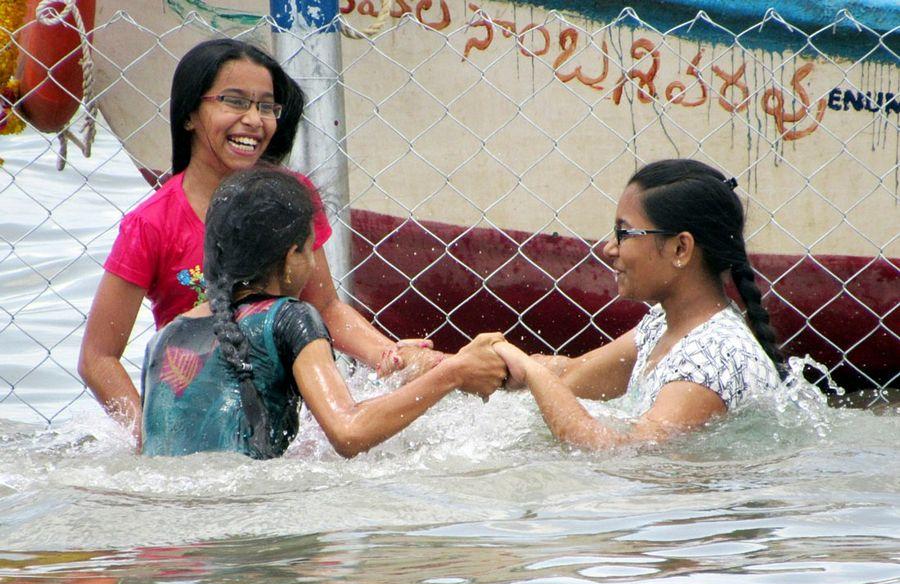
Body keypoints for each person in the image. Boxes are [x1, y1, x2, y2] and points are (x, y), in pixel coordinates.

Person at [79, 39, 439, 445]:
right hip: (203, 411)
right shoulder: (151, 223)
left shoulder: (292, 197)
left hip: (289, 404)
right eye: (234, 101)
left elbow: (326, 307)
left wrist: (390, 356)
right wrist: (150, 437)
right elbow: (98, 357)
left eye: (267, 106)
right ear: (189, 115)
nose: (254, 119)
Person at [141, 167, 507, 458]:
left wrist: (392, 374)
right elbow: (349, 432)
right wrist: (454, 374)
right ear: (290, 258)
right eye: (310, 249)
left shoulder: (163, 339)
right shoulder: (289, 317)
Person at [492, 159, 784, 450]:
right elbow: (573, 374)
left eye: (625, 233)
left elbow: (623, 453)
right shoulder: (664, 324)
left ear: (681, 248)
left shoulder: (713, 357)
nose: (610, 248)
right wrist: (490, 361)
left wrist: (533, 373)